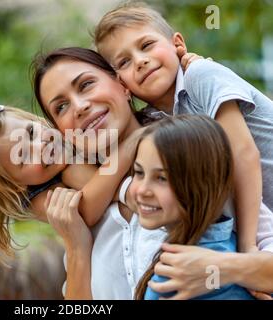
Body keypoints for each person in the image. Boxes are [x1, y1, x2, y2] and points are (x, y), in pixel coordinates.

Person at [32, 47, 273, 299]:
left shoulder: (192, 156)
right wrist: (77, 250)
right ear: (60, 130)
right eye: (60, 107)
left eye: (86, 85)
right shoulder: (81, 215)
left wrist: (224, 268)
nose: (79, 106)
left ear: (122, 85)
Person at [94, 2, 273, 255]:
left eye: (146, 46)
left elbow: (244, 155)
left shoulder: (200, 75)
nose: (141, 61)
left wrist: (247, 247)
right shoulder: (152, 123)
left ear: (177, 44)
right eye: (124, 62)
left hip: (258, 229)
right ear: (120, 83)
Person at [0, 104, 134, 275]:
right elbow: (86, 211)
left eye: (32, 133)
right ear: (15, 184)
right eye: (24, 156)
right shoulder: (37, 200)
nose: (40, 145)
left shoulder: (71, 132)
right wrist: (126, 150)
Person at [124, 114, 254, 299]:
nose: (143, 190)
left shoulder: (182, 277)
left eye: (162, 178)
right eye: (139, 172)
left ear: (202, 183)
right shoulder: (227, 243)